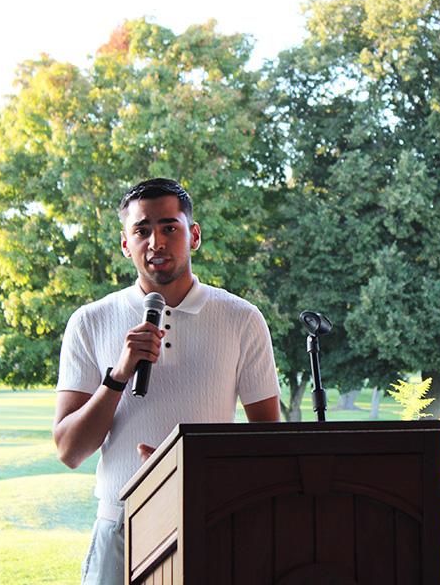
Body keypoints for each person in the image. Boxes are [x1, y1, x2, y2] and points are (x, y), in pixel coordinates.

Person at [53, 178, 280, 585]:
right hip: (120, 528)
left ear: (192, 235)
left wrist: (188, 468)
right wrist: (119, 374)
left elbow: (270, 444)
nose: (155, 241)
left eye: (168, 227)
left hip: (211, 521)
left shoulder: (242, 319)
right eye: (141, 231)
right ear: (126, 244)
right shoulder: (89, 322)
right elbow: (70, 450)